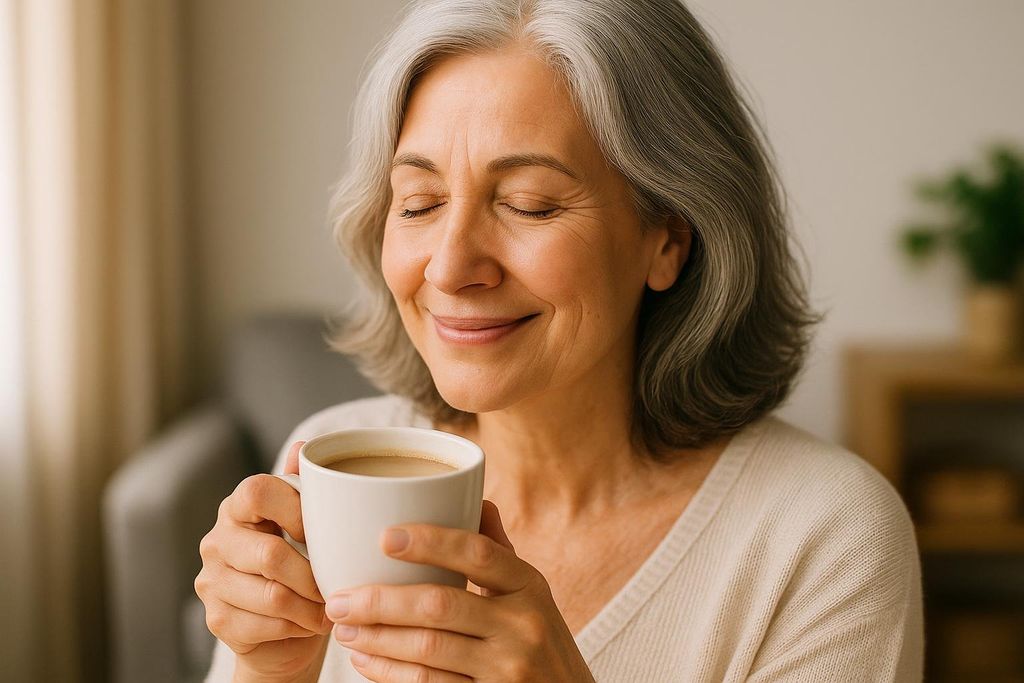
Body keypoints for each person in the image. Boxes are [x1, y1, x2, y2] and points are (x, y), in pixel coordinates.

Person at [195, 0, 924, 681]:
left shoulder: (825, 536)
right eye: (417, 203)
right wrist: (268, 670)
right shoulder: (329, 459)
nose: (450, 265)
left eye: (528, 205)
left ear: (667, 239)